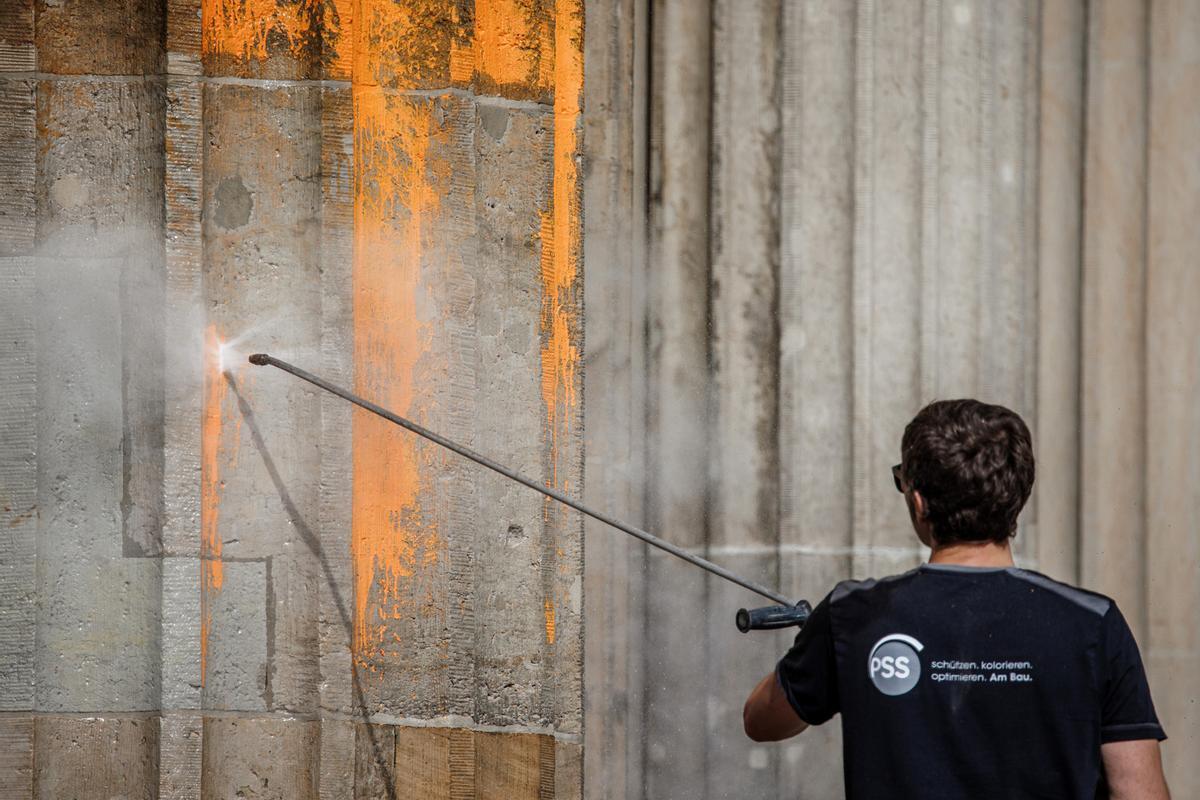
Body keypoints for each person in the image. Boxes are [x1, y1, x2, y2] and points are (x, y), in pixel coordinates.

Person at [742, 399, 1171, 799]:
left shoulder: (853, 614)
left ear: (919, 502)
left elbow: (761, 720)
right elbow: (1140, 792)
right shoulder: (1093, 622)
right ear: (1018, 496)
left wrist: (823, 640)